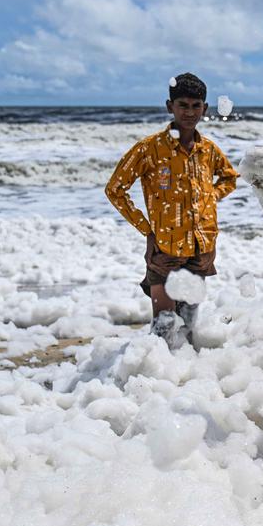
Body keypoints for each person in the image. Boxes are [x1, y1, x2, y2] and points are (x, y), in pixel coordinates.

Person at [105, 73, 238, 346]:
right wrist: (147, 229)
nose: (189, 112)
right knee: (163, 326)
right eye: (183, 105)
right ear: (170, 106)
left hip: (202, 246)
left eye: (195, 105)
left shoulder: (208, 150)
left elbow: (230, 178)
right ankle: (153, 381)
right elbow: (115, 189)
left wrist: (210, 197)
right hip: (165, 248)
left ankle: (185, 380)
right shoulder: (149, 149)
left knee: (188, 325)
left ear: (205, 108)